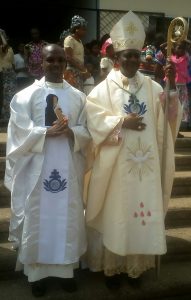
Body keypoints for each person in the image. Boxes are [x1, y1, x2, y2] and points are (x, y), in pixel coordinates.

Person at [84, 11, 182, 289]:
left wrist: (172, 86)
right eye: (126, 55)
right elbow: (93, 118)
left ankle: (134, 268)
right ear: (117, 56)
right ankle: (112, 270)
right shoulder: (103, 89)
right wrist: (120, 122)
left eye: (135, 55)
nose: (131, 60)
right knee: (117, 217)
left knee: (139, 219)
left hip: (146, 169)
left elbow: (170, 115)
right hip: (116, 170)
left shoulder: (153, 87)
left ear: (140, 56)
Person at [4, 44, 90, 297]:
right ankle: (36, 275)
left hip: (68, 168)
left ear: (66, 63)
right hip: (36, 171)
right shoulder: (26, 96)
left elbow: (87, 131)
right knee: (37, 219)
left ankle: (66, 272)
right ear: (41, 63)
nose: (55, 64)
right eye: (50, 60)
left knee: (67, 219)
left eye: (60, 60)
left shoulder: (78, 97)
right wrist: (44, 132)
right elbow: (18, 131)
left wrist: (72, 131)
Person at [63, 15, 91, 92]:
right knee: (73, 93)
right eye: (83, 29)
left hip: (79, 71)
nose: (85, 32)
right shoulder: (69, 40)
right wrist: (83, 70)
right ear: (76, 29)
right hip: (72, 72)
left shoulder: (80, 41)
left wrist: (83, 70)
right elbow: (68, 58)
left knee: (79, 93)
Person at [0, 29, 16, 120]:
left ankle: (9, 116)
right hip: (3, 73)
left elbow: (13, 63)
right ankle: (4, 116)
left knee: (11, 95)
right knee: (4, 95)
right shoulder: (2, 47)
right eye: (3, 36)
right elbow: (4, 45)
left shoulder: (10, 49)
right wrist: (1, 34)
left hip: (11, 74)